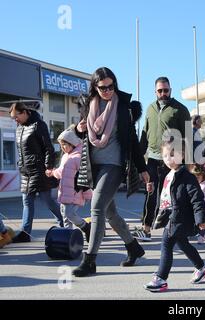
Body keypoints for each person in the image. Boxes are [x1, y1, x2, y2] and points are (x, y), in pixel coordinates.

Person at [72, 67, 152, 277]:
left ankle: (89, 261)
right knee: (110, 213)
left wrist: (142, 168)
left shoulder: (124, 107)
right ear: (95, 87)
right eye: (103, 87)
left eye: (111, 86)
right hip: (93, 167)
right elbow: (83, 133)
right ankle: (134, 248)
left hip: (115, 165)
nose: (107, 91)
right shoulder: (88, 105)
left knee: (96, 207)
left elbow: (132, 140)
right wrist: (77, 130)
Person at [144, 140, 205, 292]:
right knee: (183, 244)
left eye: (173, 154)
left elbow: (197, 198)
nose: (169, 158)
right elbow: (166, 196)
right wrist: (152, 190)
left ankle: (161, 278)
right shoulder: (168, 174)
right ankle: (201, 267)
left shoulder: (187, 177)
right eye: (166, 155)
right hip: (170, 215)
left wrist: (201, 219)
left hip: (179, 217)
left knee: (166, 243)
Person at [137, 77, 191, 242]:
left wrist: (188, 163)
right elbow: (145, 134)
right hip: (153, 159)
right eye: (160, 91)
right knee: (151, 194)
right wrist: (139, 160)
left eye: (165, 90)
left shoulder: (180, 109)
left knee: (174, 197)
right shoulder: (150, 109)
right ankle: (146, 229)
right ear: (155, 91)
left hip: (173, 161)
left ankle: (179, 230)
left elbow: (188, 137)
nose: (163, 93)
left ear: (170, 90)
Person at [9, 102, 64, 243]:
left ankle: (63, 223)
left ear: (24, 112)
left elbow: (48, 148)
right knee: (27, 201)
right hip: (26, 171)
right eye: (13, 118)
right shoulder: (19, 128)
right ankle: (25, 233)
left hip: (40, 170)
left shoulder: (39, 125)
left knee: (48, 201)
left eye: (16, 117)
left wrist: (48, 166)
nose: (15, 120)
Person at [45, 127, 92, 242]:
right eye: (61, 145)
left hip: (75, 193)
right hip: (64, 192)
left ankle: (86, 226)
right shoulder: (66, 156)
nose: (62, 148)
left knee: (69, 214)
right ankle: (68, 237)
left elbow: (85, 178)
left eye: (64, 145)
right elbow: (61, 172)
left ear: (72, 144)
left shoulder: (78, 157)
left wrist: (88, 194)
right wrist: (52, 173)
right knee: (65, 216)